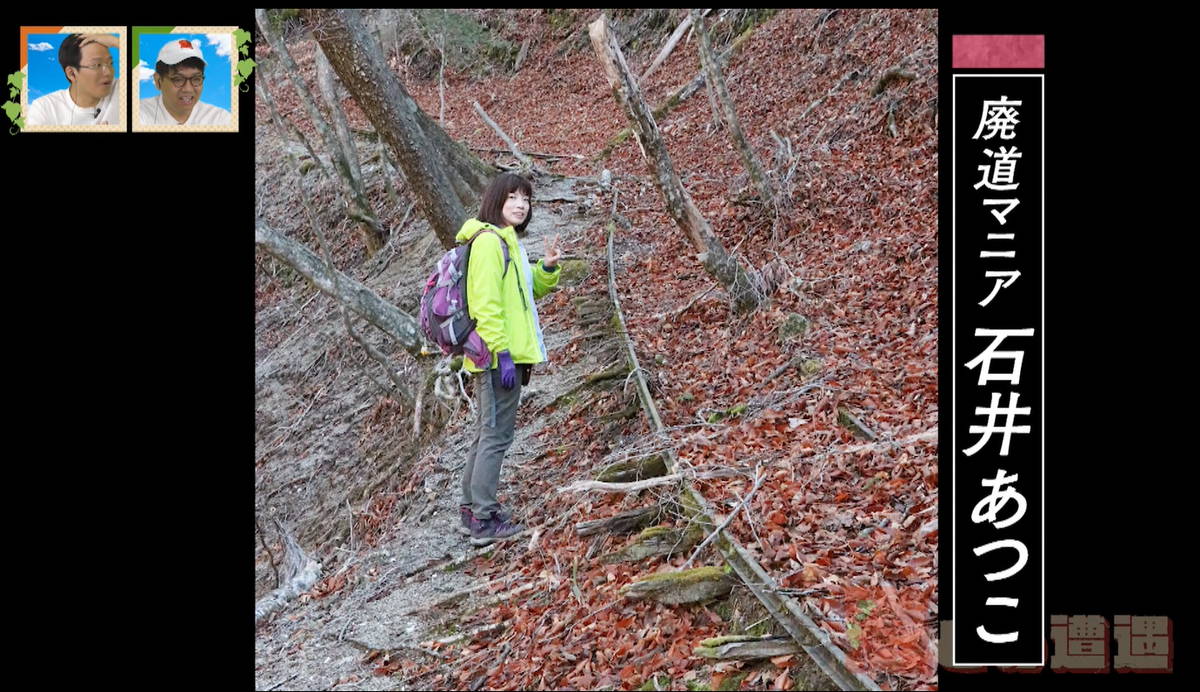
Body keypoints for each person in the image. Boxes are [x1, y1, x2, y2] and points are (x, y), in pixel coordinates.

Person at [458, 173, 562, 546]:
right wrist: (501, 353)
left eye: (526, 199)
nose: (521, 204)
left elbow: (524, 290)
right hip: (495, 357)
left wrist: (546, 269)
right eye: (513, 197)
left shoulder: (508, 242)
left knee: (486, 434)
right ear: (496, 200)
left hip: (505, 355)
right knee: (496, 436)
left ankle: (472, 509)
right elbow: (485, 306)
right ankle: (482, 520)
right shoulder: (488, 243)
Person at [27, 33, 119, 126]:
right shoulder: (45, 108)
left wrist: (114, 41)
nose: (108, 72)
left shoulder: (119, 90)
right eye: (96, 65)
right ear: (72, 73)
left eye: (110, 63)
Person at [138, 38, 231, 125]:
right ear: (158, 81)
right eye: (178, 79)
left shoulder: (219, 119)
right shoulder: (139, 113)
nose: (188, 89)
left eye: (196, 79)